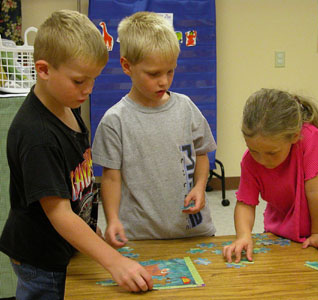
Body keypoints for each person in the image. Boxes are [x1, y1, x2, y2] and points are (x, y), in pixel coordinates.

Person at [0, 10, 153, 299]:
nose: (89, 90)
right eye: (80, 81)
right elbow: (59, 213)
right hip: (41, 262)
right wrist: (114, 262)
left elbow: (73, 184)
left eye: (93, 79)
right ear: (43, 70)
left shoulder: (66, 103)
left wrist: (95, 237)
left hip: (65, 248)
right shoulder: (37, 136)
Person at [92, 12, 216, 246]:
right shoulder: (115, 120)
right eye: (154, 74)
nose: (164, 81)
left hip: (193, 231)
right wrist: (113, 219)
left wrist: (200, 187)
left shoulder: (186, 107)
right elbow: (110, 178)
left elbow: (201, 154)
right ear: (127, 66)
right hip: (139, 236)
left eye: (170, 71)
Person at [223, 88, 318, 263]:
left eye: (272, 153)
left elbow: (316, 192)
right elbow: (245, 203)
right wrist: (243, 236)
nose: (262, 160)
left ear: (294, 136)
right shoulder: (250, 161)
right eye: (254, 151)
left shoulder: (310, 138)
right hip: (278, 232)